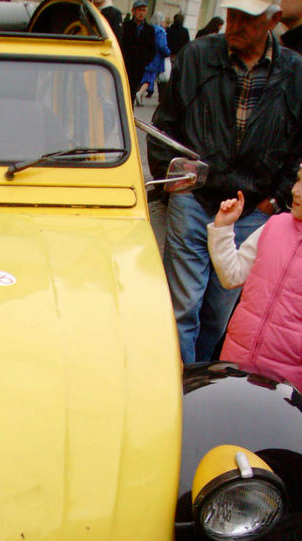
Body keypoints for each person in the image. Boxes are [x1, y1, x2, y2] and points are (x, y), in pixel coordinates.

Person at [147, 0, 302, 364]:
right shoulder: (198, 56)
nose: (234, 25)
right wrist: (174, 180)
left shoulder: (294, 72)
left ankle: (200, 385)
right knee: (182, 307)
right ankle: (180, 387)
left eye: (246, 19)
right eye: (231, 15)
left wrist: (275, 200)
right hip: (195, 198)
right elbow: (163, 125)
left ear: (273, 21)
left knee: (219, 312)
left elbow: (298, 145)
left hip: (251, 209)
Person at [207, 167, 302, 390]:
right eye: (297, 180)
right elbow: (232, 275)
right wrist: (223, 228)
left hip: (285, 388)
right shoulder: (274, 226)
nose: (295, 191)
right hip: (236, 365)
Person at [121, 0, 156, 103]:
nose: (141, 13)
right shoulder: (125, 26)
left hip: (139, 67)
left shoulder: (149, 29)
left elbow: (152, 49)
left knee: (131, 94)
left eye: (144, 11)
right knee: (122, 91)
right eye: (139, 10)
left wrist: (144, 62)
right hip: (125, 64)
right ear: (133, 11)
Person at [136, 11, 170, 104]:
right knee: (149, 78)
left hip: (144, 56)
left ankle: (140, 96)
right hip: (155, 58)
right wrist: (168, 53)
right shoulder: (160, 31)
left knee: (144, 76)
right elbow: (162, 46)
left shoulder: (146, 28)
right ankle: (140, 93)